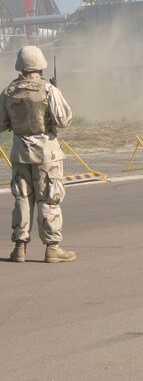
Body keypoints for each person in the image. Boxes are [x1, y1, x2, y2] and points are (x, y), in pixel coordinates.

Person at [1, 46, 75, 263]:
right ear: (41, 65)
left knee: (22, 198)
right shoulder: (49, 90)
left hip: (19, 152)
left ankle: (19, 248)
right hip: (46, 154)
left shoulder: (8, 92)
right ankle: (52, 248)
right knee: (48, 199)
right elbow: (63, 121)